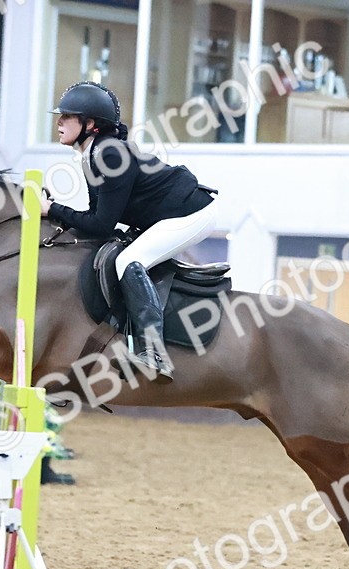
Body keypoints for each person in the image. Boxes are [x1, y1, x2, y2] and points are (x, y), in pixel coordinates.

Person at [40, 81, 219, 381]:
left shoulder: (109, 153)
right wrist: (56, 213)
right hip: (168, 215)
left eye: (67, 116)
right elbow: (97, 220)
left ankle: (152, 352)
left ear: (90, 124)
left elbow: (100, 225)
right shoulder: (90, 155)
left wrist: (53, 210)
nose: (59, 122)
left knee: (127, 261)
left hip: (193, 213)